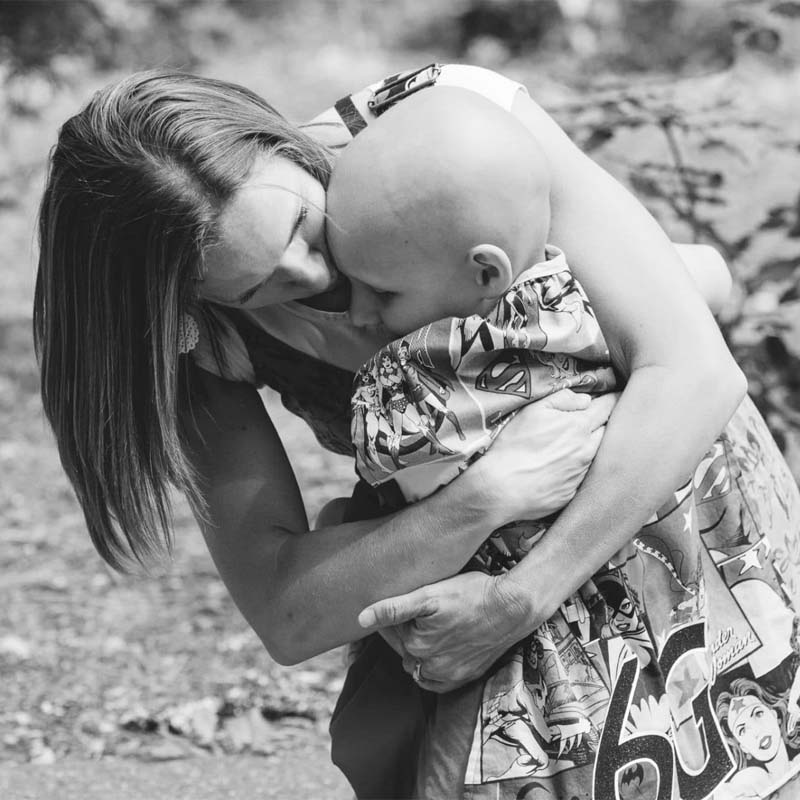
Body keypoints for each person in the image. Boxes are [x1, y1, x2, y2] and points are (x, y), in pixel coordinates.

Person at [31, 63, 798, 799]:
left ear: (279, 141)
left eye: (303, 223)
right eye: (261, 286)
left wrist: (520, 598)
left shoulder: (449, 137)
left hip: (671, 486)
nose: (316, 279)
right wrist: (487, 496)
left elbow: (692, 367)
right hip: (489, 574)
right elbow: (287, 610)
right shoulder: (201, 339)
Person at [323, 86, 800, 798]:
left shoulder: (417, 386)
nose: (360, 314)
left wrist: (338, 523)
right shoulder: (594, 306)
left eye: (382, 293)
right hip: (710, 595)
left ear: (485, 271)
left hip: (549, 695)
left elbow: (378, 502)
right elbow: (712, 277)